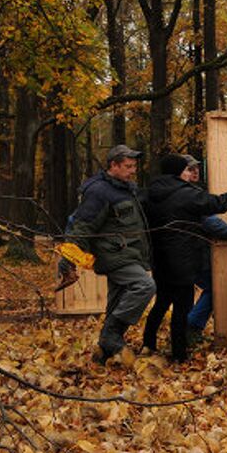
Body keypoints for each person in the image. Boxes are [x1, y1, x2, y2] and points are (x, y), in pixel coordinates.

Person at [142, 154, 227, 362]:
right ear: (177, 172)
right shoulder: (185, 194)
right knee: (181, 309)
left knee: (162, 302)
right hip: (182, 260)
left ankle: (148, 344)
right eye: (186, 170)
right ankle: (179, 356)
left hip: (160, 258)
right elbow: (218, 204)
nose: (189, 173)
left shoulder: (150, 193)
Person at [60, 145, 156, 365]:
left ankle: (104, 352)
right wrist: (68, 260)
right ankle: (112, 335)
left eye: (134, 166)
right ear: (113, 165)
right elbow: (82, 227)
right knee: (145, 286)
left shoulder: (125, 188)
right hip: (115, 256)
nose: (133, 171)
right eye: (128, 166)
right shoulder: (99, 191)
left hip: (129, 254)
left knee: (117, 301)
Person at [179, 155, 227, 344]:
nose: (194, 171)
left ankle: (185, 330)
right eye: (189, 168)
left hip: (186, 253)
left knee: (191, 293)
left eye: (196, 168)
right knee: (213, 289)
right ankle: (190, 328)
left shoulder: (190, 191)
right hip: (193, 253)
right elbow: (210, 222)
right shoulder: (189, 194)